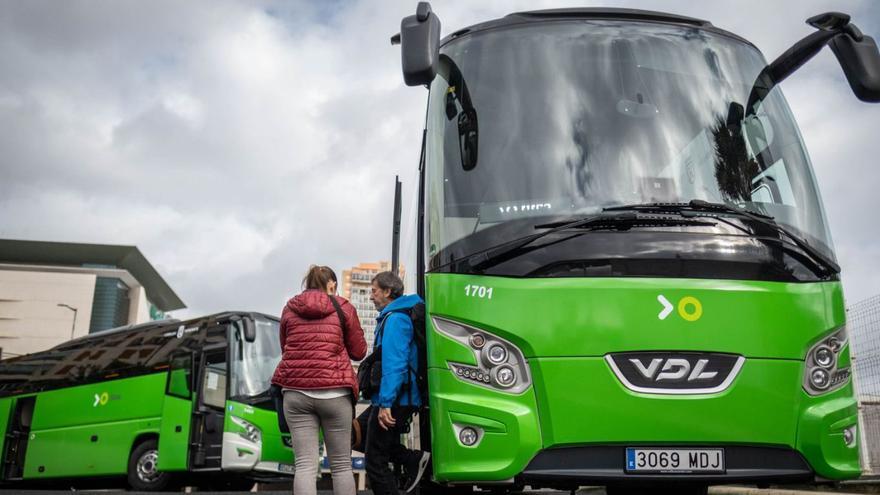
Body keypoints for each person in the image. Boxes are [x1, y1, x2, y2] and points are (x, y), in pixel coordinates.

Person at [272, 265, 368, 495]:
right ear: (331, 284)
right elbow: (359, 351)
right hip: (335, 392)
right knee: (342, 466)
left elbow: (285, 347)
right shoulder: (343, 307)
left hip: (296, 391)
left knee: (304, 465)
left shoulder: (289, 308)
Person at [360, 271, 431, 495]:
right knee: (357, 434)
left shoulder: (396, 319)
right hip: (393, 396)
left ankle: (413, 459)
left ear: (388, 291)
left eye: (374, 291)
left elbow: (395, 363)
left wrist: (386, 403)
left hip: (395, 398)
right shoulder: (396, 315)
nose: (371, 297)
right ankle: (413, 459)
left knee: (375, 460)